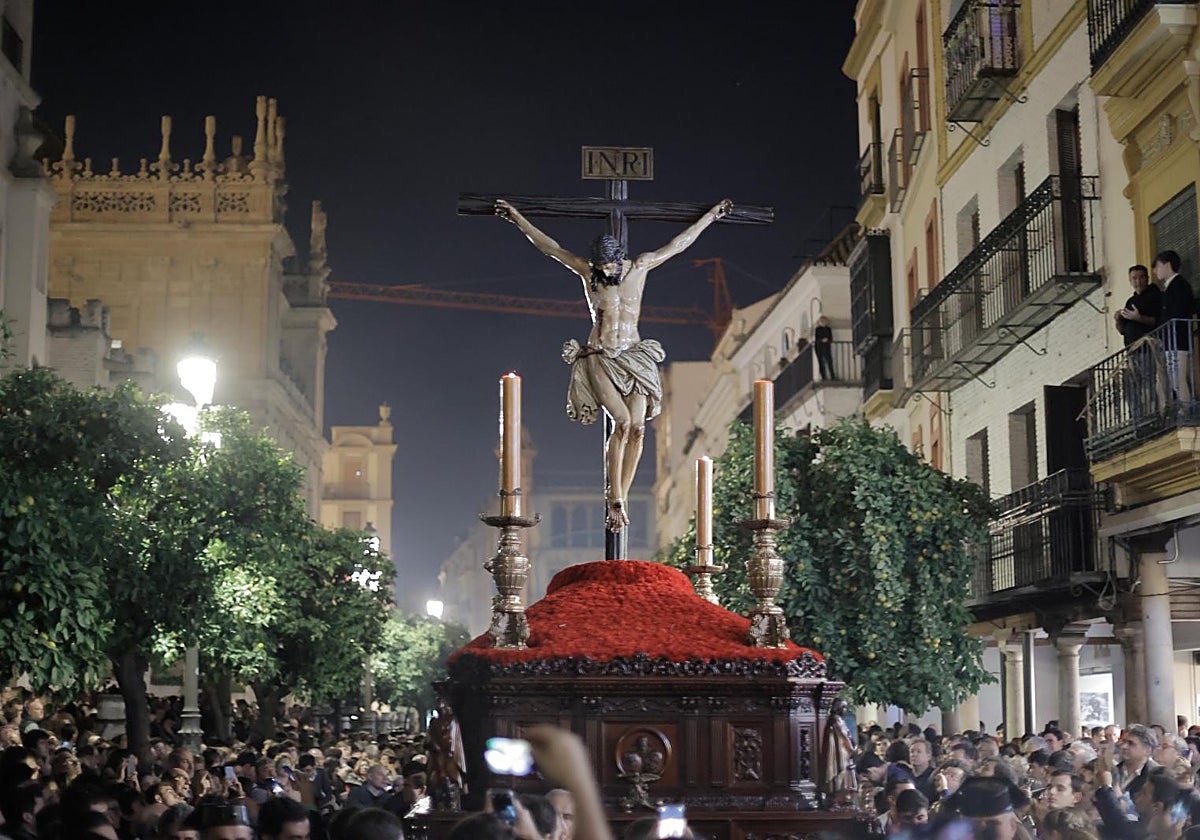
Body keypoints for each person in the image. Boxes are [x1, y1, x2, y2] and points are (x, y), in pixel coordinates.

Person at [495, 197, 732, 530]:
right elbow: (550, 248)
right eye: (601, 267)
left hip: (635, 355)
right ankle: (615, 498)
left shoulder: (641, 267)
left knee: (637, 429)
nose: (606, 273)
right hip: (601, 356)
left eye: (610, 267)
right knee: (621, 423)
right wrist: (518, 218)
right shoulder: (587, 273)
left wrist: (709, 216)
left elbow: (679, 244)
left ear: (620, 260)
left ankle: (623, 493)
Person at [1154, 249, 1195, 403]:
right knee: (1165, 382)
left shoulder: (1179, 285)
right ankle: (1171, 412)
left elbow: (1179, 311)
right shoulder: (1170, 287)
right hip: (1170, 341)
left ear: (1167, 265)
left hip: (1177, 340)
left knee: (1177, 379)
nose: (1155, 270)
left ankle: (1186, 411)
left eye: (1158, 266)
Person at [1116, 265, 1162, 346]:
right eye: (1134, 278)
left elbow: (1159, 320)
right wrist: (1118, 319)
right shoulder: (1130, 301)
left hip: (1150, 347)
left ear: (1147, 278)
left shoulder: (1155, 295)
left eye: (1141, 277)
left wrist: (1139, 318)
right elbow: (1123, 330)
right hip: (1133, 348)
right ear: (1130, 281)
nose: (1138, 282)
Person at [814, 315, 836, 380]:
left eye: (824, 321)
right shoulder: (817, 329)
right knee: (821, 362)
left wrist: (827, 340)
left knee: (829, 361)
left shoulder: (828, 329)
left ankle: (832, 376)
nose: (823, 322)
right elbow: (817, 339)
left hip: (826, 347)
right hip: (819, 347)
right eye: (821, 321)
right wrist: (822, 340)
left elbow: (831, 338)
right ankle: (823, 377)